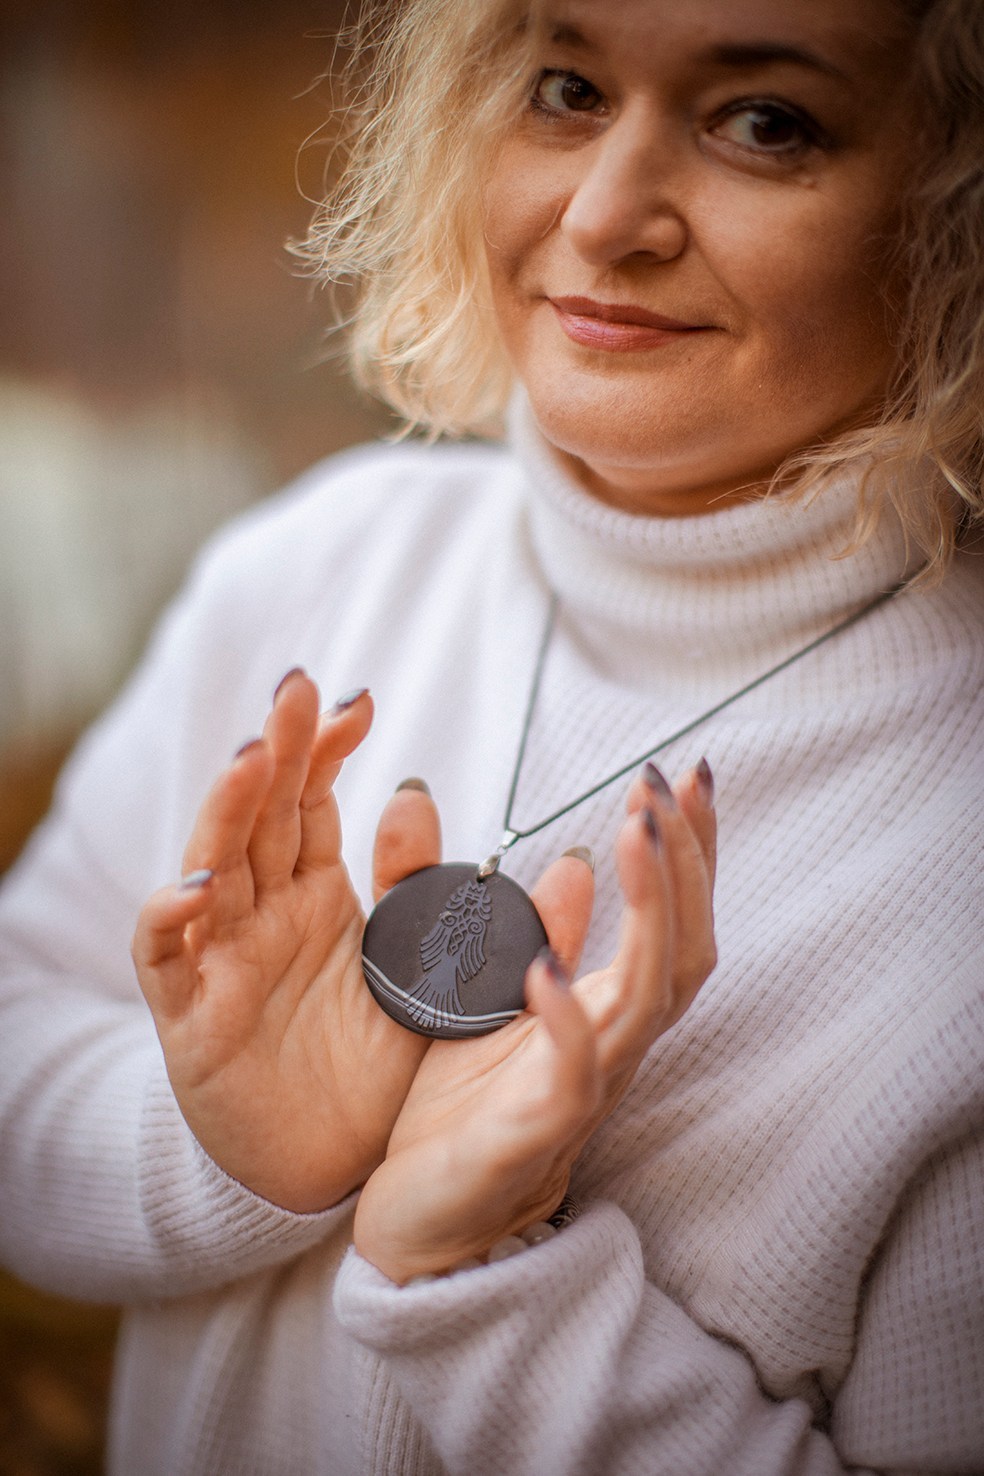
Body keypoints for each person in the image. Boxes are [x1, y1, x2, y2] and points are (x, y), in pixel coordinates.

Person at [1, 0, 982, 1470]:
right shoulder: (320, 564)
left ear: (955, 201)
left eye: (764, 121)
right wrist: (222, 1143)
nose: (604, 214)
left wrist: (486, 1279)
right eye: (568, 89)